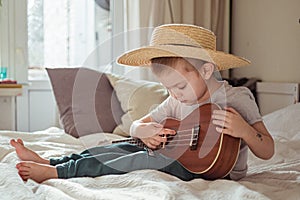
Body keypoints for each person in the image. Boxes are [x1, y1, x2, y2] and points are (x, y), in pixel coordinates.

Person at [11, 24, 274, 183]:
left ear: (206, 71)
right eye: (168, 88)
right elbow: (140, 123)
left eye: (180, 86)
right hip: (174, 154)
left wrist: (245, 131)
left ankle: (59, 173)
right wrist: (140, 130)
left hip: (210, 169)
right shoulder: (175, 101)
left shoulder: (237, 99)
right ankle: (53, 161)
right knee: (117, 147)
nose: (176, 94)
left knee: (135, 159)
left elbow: (268, 149)